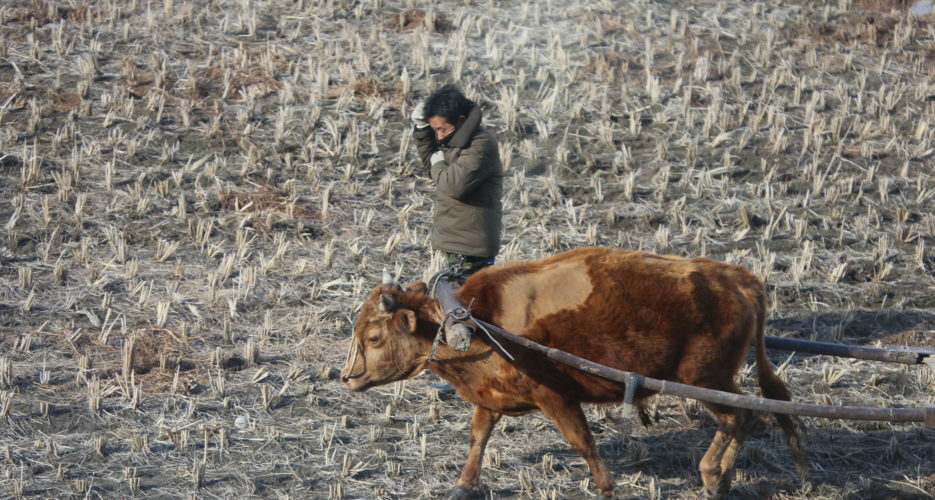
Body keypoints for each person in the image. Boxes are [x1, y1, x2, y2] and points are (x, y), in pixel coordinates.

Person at [411, 84, 503, 279]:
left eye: (442, 129)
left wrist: (438, 164)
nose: (439, 136)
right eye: (435, 130)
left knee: (467, 304)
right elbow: (434, 167)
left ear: (461, 120)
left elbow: (452, 186)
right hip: (457, 239)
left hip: (471, 246)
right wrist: (422, 130)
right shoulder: (454, 141)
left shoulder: (480, 145)